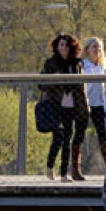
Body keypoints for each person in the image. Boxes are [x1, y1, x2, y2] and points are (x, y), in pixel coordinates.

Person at [40, 34, 89, 181]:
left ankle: (63, 174)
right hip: (56, 104)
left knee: (68, 137)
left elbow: (81, 86)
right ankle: (50, 167)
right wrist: (54, 78)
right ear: (56, 46)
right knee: (58, 137)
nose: (63, 48)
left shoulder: (76, 64)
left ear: (71, 48)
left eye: (66, 45)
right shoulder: (50, 63)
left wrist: (83, 107)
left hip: (71, 105)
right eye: (61, 45)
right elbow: (41, 85)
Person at [81, 37, 106, 170]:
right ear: (87, 49)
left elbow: (101, 90)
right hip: (85, 105)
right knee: (79, 135)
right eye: (94, 47)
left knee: (103, 136)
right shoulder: (82, 65)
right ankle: (76, 168)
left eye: (99, 47)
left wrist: (105, 107)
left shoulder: (100, 67)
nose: (97, 50)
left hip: (98, 105)